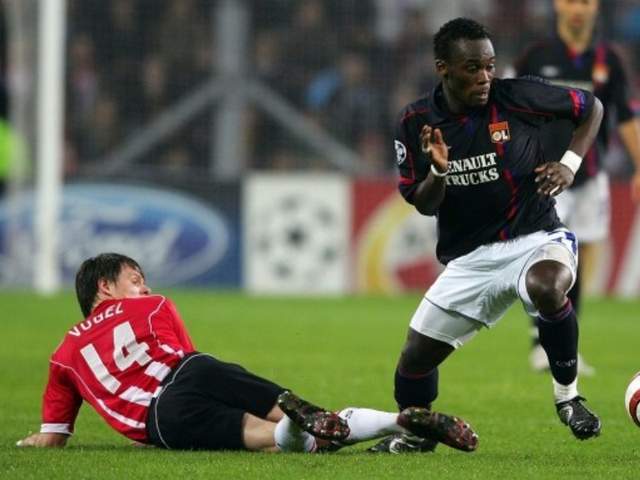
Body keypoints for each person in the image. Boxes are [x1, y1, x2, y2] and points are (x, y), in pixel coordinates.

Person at [370, 17, 604, 454]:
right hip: (471, 258)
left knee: (546, 285)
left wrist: (569, 165)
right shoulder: (416, 121)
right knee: (414, 361)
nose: (485, 77)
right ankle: (419, 434)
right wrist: (439, 169)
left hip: (537, 236)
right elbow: (425, 203)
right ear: (443, 68)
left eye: (490, 66)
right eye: (473, 68)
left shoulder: (517, 96)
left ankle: (568, 398)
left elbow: (591, 107)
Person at [16, 252, 478, 453]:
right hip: (194, 372)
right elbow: (185, 355)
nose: (146, 287)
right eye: (135, 279)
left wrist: (29, 443)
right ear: (105, 286)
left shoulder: (64, 354)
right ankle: (396, 421)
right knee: (309, 420)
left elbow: (53, 436)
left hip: (163, 418)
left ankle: (300, 431)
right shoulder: (153, 306)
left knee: (270, 440)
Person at [516, 0, 640, 375]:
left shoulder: (608, 59)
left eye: (584, 1)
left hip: (590, 175)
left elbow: (625, 116)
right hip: (545, 173)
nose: (577, 9)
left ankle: (565, 344)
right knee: (545, 252)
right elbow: (510, 107)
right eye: (570, 0)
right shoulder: (536, 56)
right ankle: (540, 341)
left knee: (578, 260)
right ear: (557, 5)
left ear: (595, 7)